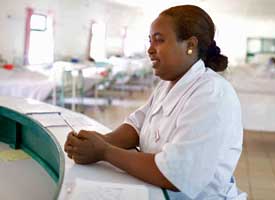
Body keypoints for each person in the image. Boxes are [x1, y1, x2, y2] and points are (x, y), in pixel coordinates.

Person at [64, 5, 246, 200]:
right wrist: (100, 141)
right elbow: (137, 124)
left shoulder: (212, 94)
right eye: (150, 41)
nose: (150, 49)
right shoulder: (168, 83)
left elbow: (175, 174)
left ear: (190, 46)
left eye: (159, 40)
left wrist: (105, 152)